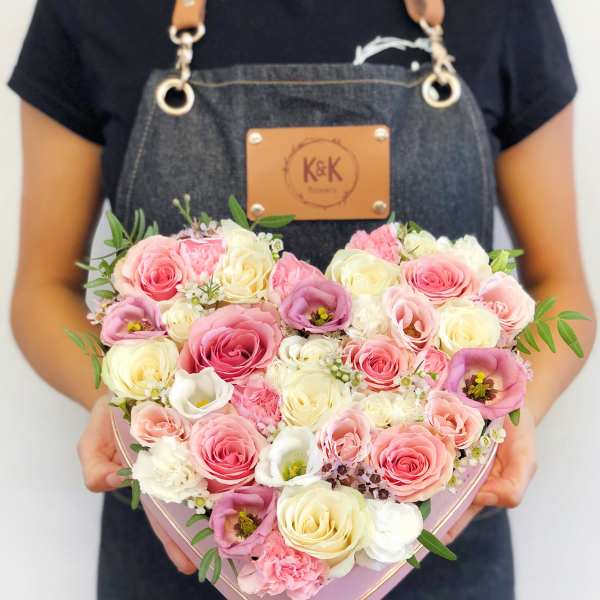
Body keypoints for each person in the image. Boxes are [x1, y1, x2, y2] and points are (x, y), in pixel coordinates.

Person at [9, 1, 595, 599]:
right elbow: (43, 287)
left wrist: (514, 417)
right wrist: (121, 412)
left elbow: (559, 282)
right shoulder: (90, 10)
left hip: (440, 547)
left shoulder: (502, 9)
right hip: (184, 549)